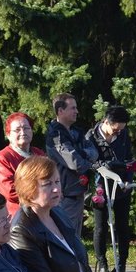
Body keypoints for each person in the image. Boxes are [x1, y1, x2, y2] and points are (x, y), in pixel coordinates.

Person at [87, 106, 136, 272]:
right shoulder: (91, 137)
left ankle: (121, 263)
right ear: (106, 122)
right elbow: (89, 163)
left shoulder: (123, 135)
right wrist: (102, 167)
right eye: (115, 129)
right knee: (101, 227)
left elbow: (129, 159)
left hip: (121, 187)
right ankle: (102, 263)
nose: (117, 133)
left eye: (121, 130)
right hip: (101, 187)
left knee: (122, 225)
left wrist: (128, 180)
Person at [46, 93, 97, 232]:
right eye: (73, 108)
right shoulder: (56, 136)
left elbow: (94, 152)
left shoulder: (77, 132)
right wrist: (87, 160)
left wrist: (82, 153)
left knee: (75, 237)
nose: (77, 111)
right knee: (66, 237)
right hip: (64, 197)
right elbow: (75, 163)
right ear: (60, 111)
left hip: (78, 194)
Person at [0, 112, 46, 216]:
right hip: (19, 215)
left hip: (43, 211)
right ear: (8, 134)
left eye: (26, 128)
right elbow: (10, 191)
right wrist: (41, 195)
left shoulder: (39, 153)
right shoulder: (2, 157)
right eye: (17, 130)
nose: (23, 132)